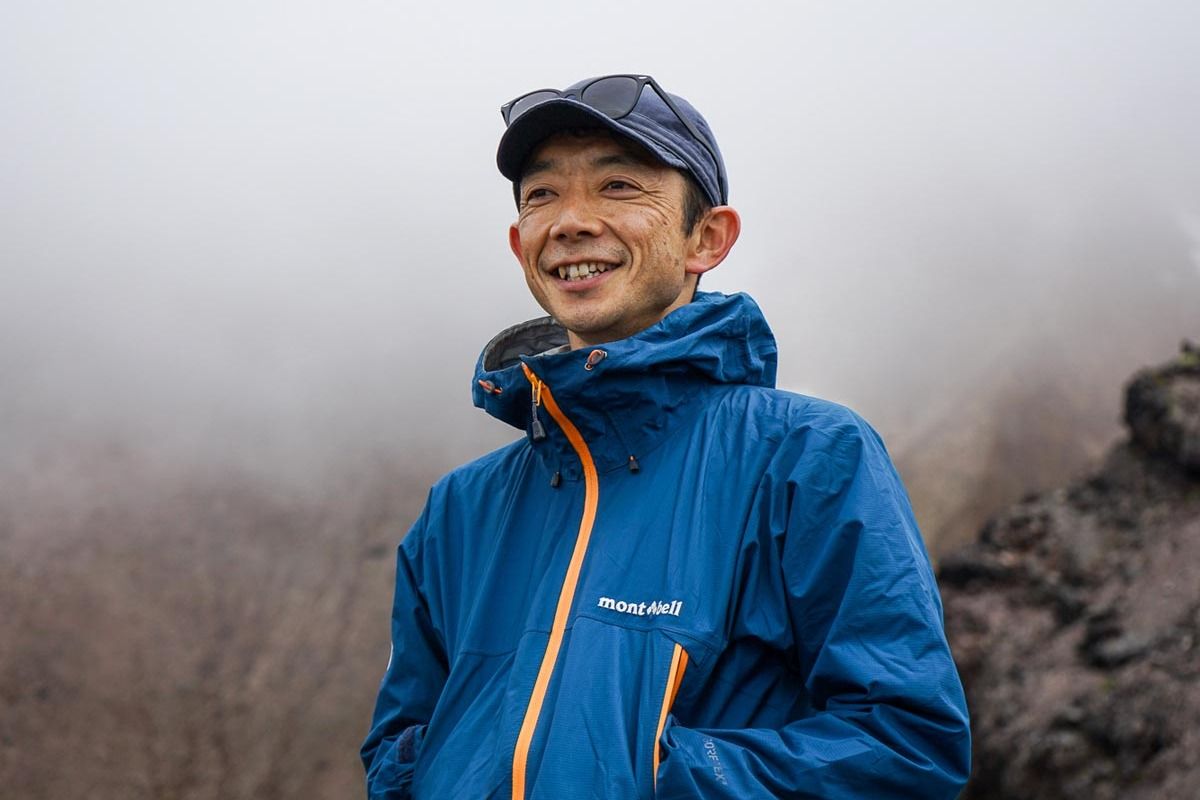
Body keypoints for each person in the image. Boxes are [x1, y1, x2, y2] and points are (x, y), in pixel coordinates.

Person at [361, 74, 970, 799]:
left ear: (706, 239)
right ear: (519, 243)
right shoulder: (458, 511)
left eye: (618, 186)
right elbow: (399, 752)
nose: (571, 221)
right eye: (542, 195)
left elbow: (906, 746)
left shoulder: (810, 458)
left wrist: (644, 779)